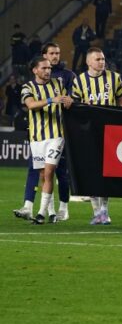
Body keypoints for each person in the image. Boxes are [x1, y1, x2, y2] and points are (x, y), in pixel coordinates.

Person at [70, 47, 122, 224]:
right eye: (98, 59)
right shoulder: (79, 81)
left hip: (110, 132)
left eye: (103, 59)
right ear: (88, 62)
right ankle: (97, 212)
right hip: (89, 132)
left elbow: (121, 100)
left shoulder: (114, 77)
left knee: (107, 172)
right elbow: (74, 105)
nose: (102, 62)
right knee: (91, 172)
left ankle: (104, 210)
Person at [19, 43, 75, 222]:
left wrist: (68, 100)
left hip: (56, 136)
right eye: (44, 68)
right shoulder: (27, 87)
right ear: (35, 70)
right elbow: (30, 105)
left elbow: (68, 97)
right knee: (43, 174)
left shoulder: (59, 82)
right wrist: (52, 99)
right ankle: (49, 212)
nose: (48, 71)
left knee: (50, 171)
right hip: (37, 138)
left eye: (49, 68)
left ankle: (41, 213)